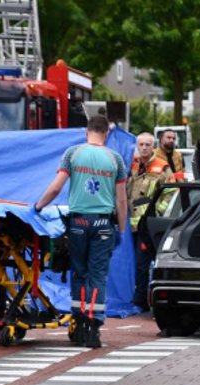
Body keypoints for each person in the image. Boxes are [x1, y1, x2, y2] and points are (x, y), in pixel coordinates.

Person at [33, 115, 127, 348]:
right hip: (103, 225)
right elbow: (122, 200)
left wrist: (37, 206)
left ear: (87, 132)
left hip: (78, 224)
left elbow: (56, 188)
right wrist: (121, 230)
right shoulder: (115, 159)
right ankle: (94, 329)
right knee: (98, 275)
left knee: (79, 273)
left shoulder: (72, 153)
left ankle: (79, 324)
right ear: (106, 134)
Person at [127, 132, 177, 311]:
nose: (144, 148)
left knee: (142, 263)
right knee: (129, 262)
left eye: (148, 145)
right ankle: (132, 295)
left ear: (153, 146)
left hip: (146, 223)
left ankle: (140, 300)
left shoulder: (161, 167)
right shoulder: (130, 163)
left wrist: (157, 211)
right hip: (127, 222)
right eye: (141, 145)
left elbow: (171, 192)